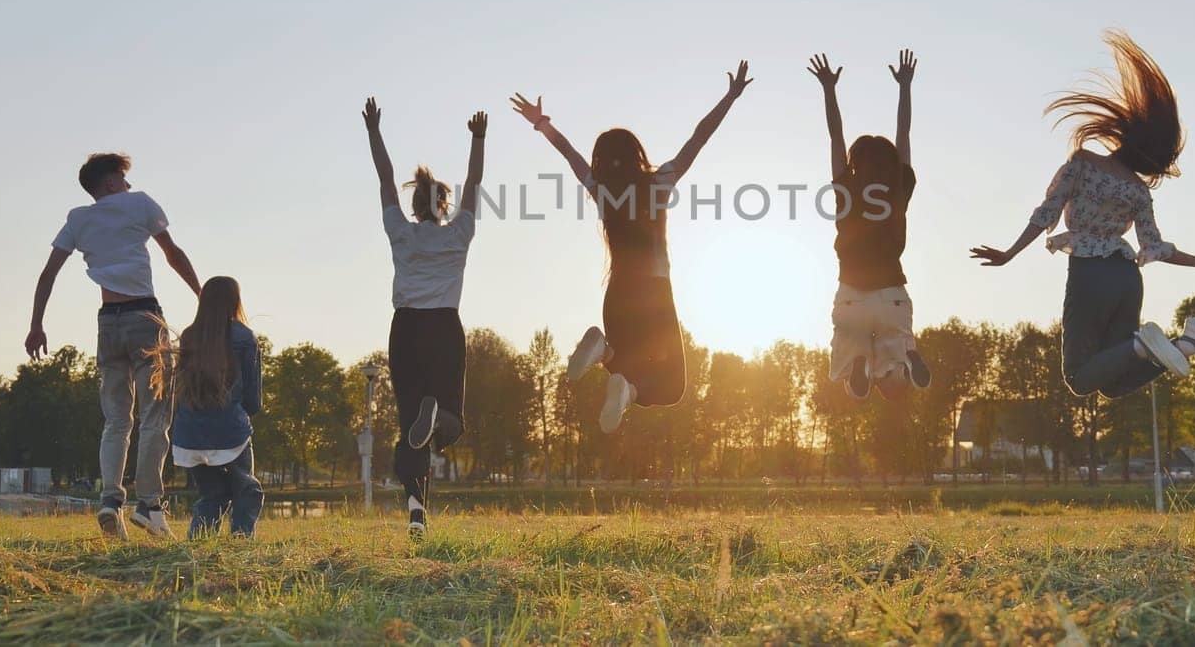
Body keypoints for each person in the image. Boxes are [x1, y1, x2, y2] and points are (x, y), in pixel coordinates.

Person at [970, 30, 1195, 400]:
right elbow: (1156, 247)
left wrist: (1009, 253)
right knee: (1115, 384)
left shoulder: (1083, 163)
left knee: (1080, 378)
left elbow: (1045, 213)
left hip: (1090, 274)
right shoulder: (1138, 190)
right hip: (1127, 278)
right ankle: (1186, 345)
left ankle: (1143, 346)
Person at [511, 61, 752, 434]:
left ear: (602, 160)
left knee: (623, 364)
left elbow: (570, 154)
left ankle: (605, 354)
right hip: (654, 294)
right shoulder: (658, 183)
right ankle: (620, 377)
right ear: (637, 153)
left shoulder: (601, 189)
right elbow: (697, 139)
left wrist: (542, 124)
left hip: (619, 292)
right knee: (672, 386)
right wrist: (730, 97)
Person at [24, 153, 200, 540]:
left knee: (116, 421)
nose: (129, 186)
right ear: (109, 183)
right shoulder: (140, 204)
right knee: (155, 417)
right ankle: (149, 505)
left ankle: (110, 501)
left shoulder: (78, 219)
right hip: (145, 320)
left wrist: (37, 325)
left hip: (108, 324)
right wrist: (203, 297)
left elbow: (48, 273)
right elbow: (173, 254)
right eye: (123, 179)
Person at [363, 97, 485, 537]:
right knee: (449, 421)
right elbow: (474, 181)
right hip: (444, 328)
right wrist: (478, 139)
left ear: (415, 207)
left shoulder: (400, 232)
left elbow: (384, 177)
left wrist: (374, 131)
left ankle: (416, 509)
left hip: (406, 330)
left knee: (408, 425)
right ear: (444, 205)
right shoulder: (459, 234)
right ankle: (437, 420)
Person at [808, 50, 931, 399]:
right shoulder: (898, 186)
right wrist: (905, 87)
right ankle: (905, 356)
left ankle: (858, 362)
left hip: (851, 297)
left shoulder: (846, 189)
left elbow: (836, 137)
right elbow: (904, 132)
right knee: (893, 377)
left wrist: (829, 90)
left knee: (852, 377)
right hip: (892, 295)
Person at [151, 276, 264, 538]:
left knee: (213, 494)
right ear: (236, 300)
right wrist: (244, 415)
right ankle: (240, 541)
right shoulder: (245, 337)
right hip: (229, 430)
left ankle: (198, 544)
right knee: (248, 490)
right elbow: (253, 399)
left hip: (189, 434)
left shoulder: (191, 335)